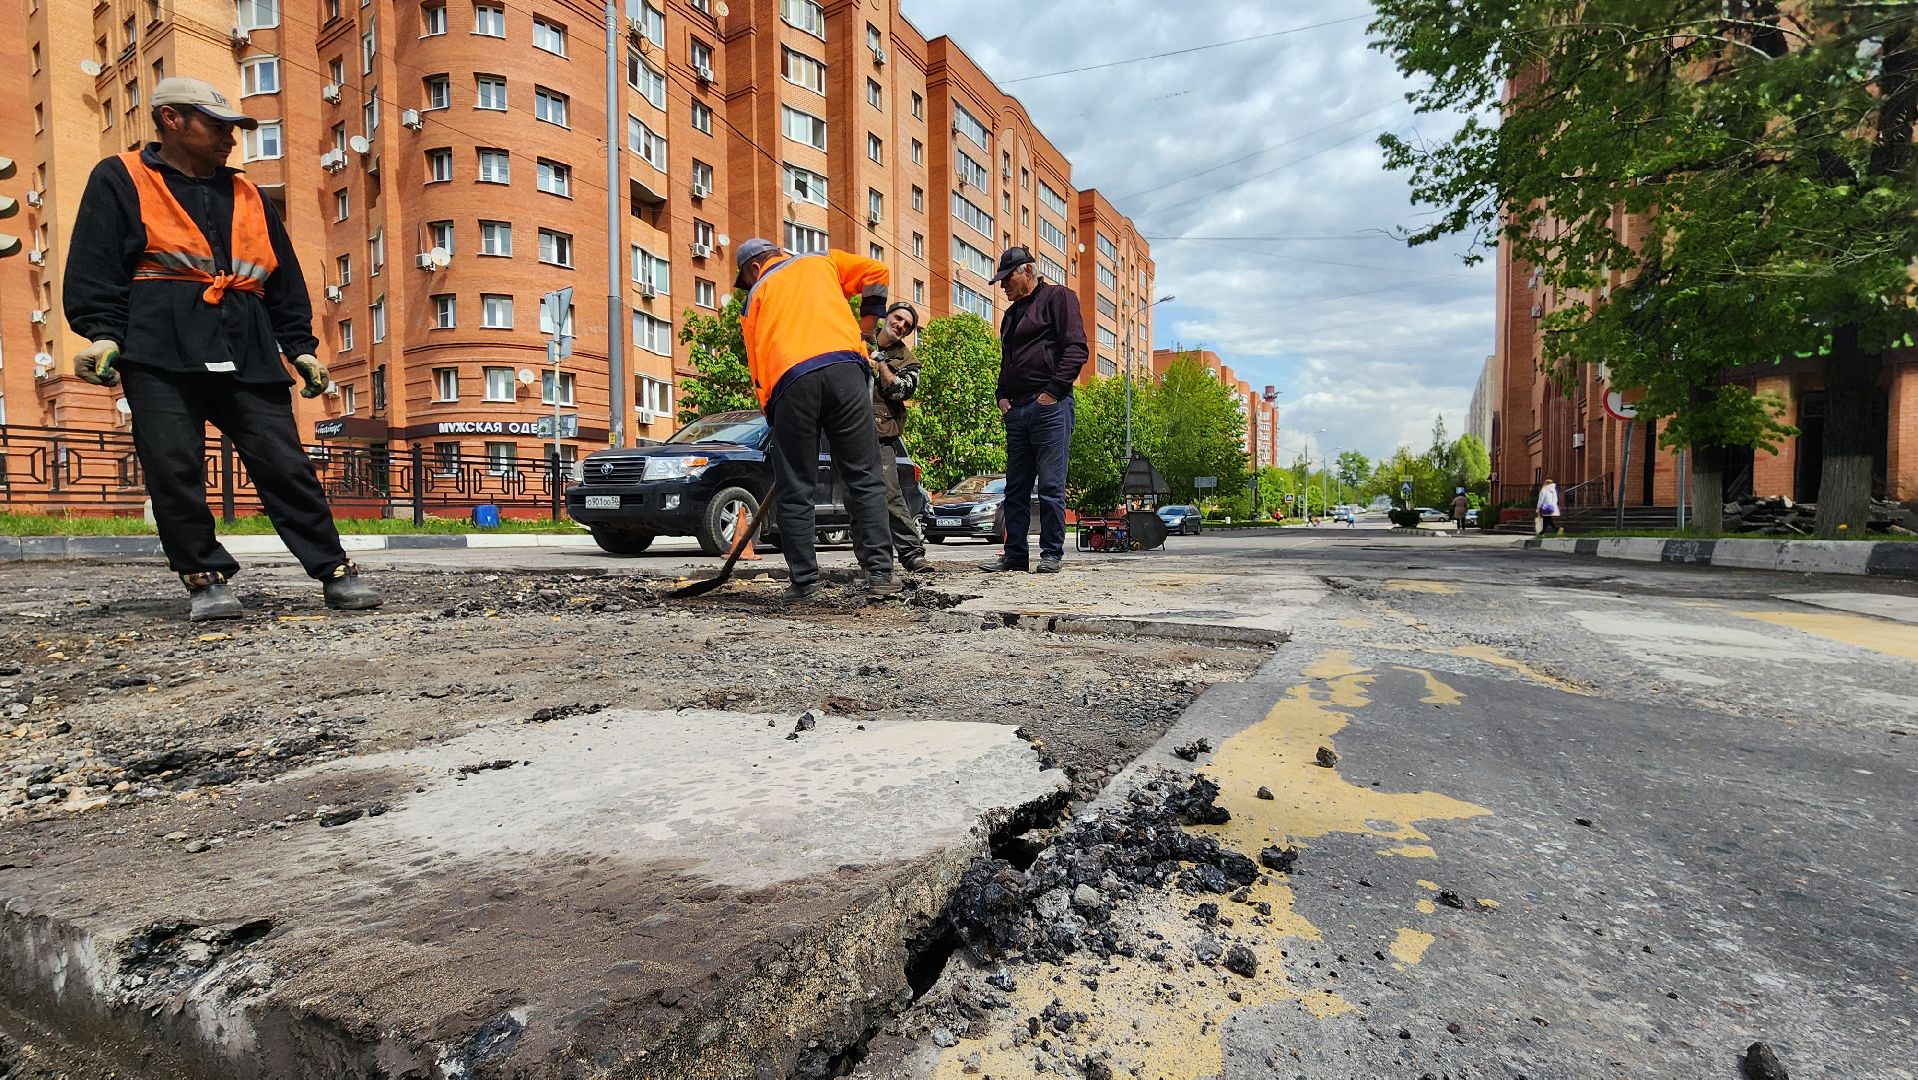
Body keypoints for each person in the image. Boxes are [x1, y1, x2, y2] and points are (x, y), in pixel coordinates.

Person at [63, 77, 381, 622]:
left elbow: (284, 280)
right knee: (174, 465)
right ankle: (204, 577)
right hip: (159, 345)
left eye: (234, 128)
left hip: (247, 342)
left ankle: (333, 569)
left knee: (285, 462)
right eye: (217, 125)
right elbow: (96, 266)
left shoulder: (249, 193)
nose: (230, 137)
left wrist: (300, 347)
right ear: (171, 120)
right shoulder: (120, 176)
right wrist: (102, 333)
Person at [733, 238, 897, 601]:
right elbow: (877, 273)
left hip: (791, 381)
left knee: (796, 487)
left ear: (754, 269)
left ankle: (806, 582)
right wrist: (865, 330)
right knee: (864, 476)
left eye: (746, 277)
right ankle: (881, 574)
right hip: (845, 370)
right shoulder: (822, 260)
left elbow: (757, 367)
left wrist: (772, 412)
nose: (749, 283)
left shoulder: (755, 295)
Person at [981, 246, 1087, 574]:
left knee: (1052, 486)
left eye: (1007, 278)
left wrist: (1052, 393)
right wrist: (1002, 397)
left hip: (1050, 408)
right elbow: (1008, 361)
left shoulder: (1059, 298)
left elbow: (1076, 348)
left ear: (1028, 271)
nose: (1002, 286)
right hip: (1017, 410)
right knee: (1015, 487)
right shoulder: (1011, 315)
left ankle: (1051, 553)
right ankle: (1014, 554)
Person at [869, 302, 932, 573]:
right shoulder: (858, 337)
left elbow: (899, 392)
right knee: (855, 500)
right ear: (886, 318)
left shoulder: (908, 361)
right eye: (898, 318)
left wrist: (880, 361)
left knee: (889, 496)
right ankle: (871, 564)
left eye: (907, 325)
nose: (900, 325)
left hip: (881, 435)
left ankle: (912, 554)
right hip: (847, 431)